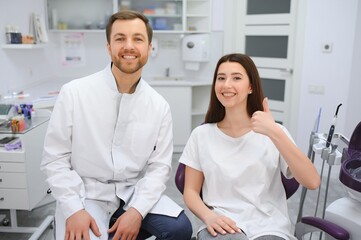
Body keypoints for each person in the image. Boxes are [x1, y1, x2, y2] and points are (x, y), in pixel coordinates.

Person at [41, 10, 193, 240]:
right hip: (85, 195)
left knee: (180, 229)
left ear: (149, 47)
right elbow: (54, 159)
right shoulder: (74, 93)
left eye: (138, 39)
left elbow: (159, 168)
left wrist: (137, 211)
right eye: (120, 38)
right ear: (109, 47)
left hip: (131, 192)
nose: (129, 46)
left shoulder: (158, 106)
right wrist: (74, 209)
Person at [179, 53, 321, 240]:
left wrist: (275, 133)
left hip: (270, 225)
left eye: (236, 78)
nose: (227, 84)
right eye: (221, 78)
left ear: (251, 87)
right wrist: (209, 216)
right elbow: (190, 191)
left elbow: (312, 181)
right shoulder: (201, 135)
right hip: (222, 222)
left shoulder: (274, 132)